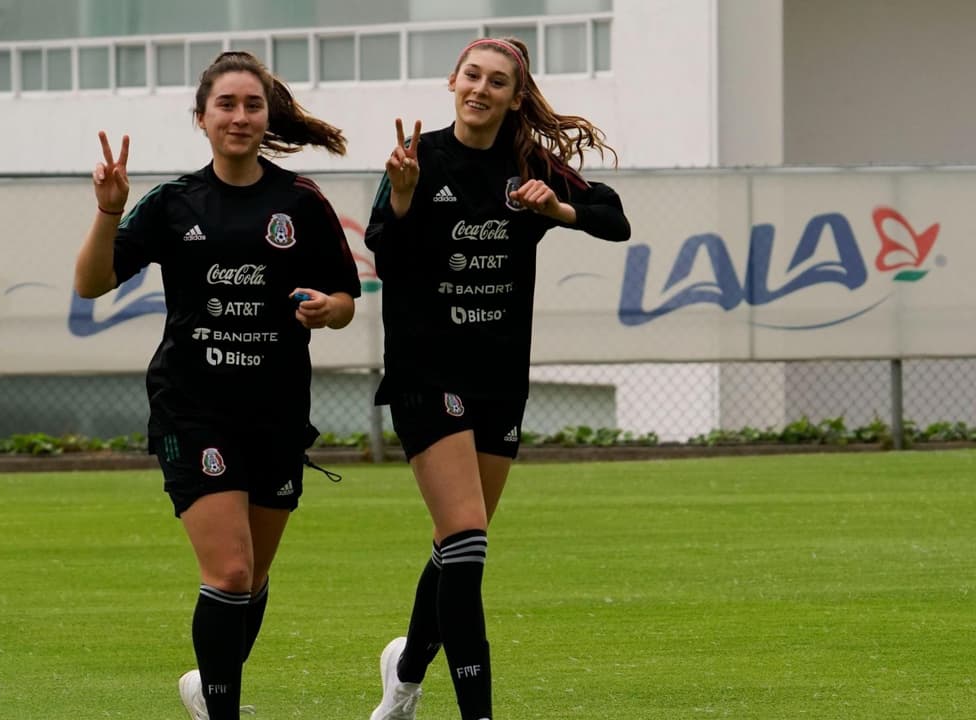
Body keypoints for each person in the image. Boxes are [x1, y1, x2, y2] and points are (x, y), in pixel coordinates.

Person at [73, 51, 359, 720]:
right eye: (225, 105)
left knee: (252, 581)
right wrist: (108, 213)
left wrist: (329, 308)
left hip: (277, 413)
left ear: (267, 117)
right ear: (201, 119)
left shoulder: (301, 202)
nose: (239, 116)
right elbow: (90, 283)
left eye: (251, 105)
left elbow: (345, 298)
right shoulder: (174, 203)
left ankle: (208, 690)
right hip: (193, 409)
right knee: (229, 573)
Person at [364, 37, 631, 720]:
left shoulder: (529, 166)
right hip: (427, 373)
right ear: (452, 81)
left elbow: (614, 218)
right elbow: (386, 256)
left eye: (498, 82)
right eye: (472, 76)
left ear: (516, 97)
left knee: (458, 543)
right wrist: (400, 198)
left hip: (499, 379)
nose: (481, 89)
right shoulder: (419, 158)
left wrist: (557, 210)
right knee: (468, 542)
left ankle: (407, 670)